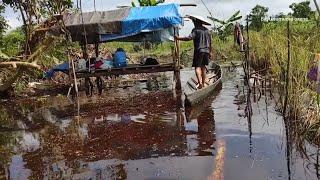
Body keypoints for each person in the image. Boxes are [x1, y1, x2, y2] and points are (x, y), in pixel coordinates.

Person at [175, 15, 212, 89]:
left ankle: (200, 83)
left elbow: (189, 37)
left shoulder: (195, 30)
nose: (193, 23)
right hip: (207, 51)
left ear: (196, 22)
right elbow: (211, 42)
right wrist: (210, 52)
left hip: (199, 50)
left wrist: (178, 38)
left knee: (197, 67)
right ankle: (204, 83)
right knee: (203, 67)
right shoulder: (207, 30)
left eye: (193, 22)